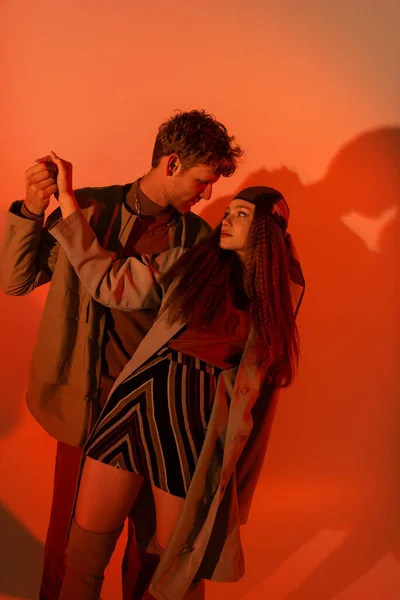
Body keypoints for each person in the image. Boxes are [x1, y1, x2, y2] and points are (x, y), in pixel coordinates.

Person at [0, 111, 243, 600]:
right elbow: (15, 280)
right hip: (82, 411)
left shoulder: (197, 241)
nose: (208, 195)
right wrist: (29, 208)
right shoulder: (87, 209)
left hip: (158, 418)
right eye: (203, 180)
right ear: (171, 163)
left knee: (151, 558)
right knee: (69, 556)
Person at [46, 151, 305, 600]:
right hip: (131, 409)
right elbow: (109, 281)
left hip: (188, 434)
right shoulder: (187, 263)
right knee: (84, 555)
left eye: (240, 215)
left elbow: (259, 411)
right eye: (227, 211)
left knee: (176, 572)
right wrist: (68, 203)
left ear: (264, 233)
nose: (224, 219)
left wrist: (238, 489)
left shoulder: (273, 309)